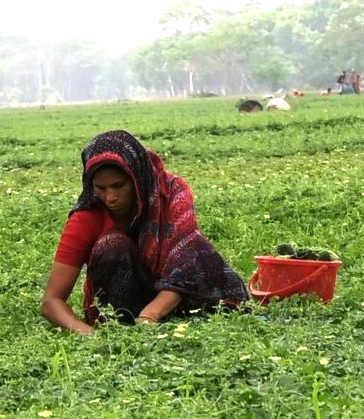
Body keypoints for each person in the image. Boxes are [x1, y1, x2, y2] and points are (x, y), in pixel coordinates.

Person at [42, 130, 248, 334]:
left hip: (173, 300)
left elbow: (182, 270)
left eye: (118, 185)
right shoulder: (86, 218)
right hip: (115, 310)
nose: (110, 197)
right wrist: (91, 336)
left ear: (137, 178)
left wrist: (149, 315)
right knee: (113, 246)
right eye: (100, 188)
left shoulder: (170, 193)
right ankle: (120, 326)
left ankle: (162, 317)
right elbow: (52, 301)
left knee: (195, 245)